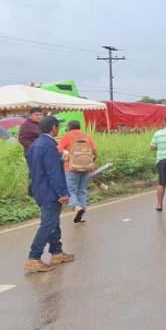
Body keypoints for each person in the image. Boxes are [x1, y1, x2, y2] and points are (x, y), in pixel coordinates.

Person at [25, 116, 74, 273]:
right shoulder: (49, 146)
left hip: (39, 189)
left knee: (53, 221)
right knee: (48, 223)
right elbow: (53, 172)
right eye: (58, 126)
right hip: (50, 190)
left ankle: (56, 252)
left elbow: (33, 170)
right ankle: (34, 257)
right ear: (54, 127)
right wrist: (62, 193)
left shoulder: (34, 145)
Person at [57, 120, 97, 223]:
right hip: (86, 168)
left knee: (70, 190)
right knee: (82, 191)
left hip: (71, 168)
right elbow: (94, 152)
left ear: (69, 127)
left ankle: (76, 207)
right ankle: (82, 215)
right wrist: (89, 164)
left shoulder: (67, 136)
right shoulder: (87, 136)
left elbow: (59, 151)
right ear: (79, 127)